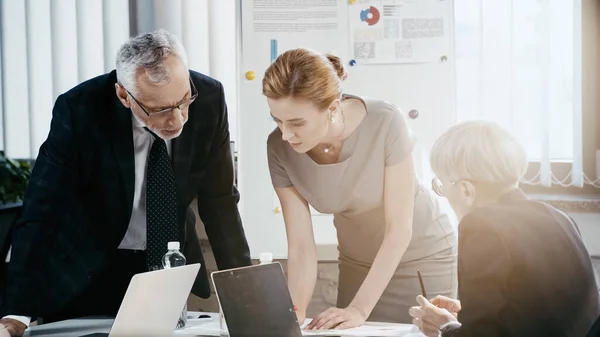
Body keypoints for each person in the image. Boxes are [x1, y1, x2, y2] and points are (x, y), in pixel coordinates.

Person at [0, 29, 252, 336]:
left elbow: (220, 202)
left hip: (162, 268)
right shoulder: (80, 109)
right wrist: (16, 311)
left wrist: (245, 296)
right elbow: (43, 209)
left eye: (184, 101)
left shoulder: (210, 98)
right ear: (124, 95)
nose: (177, 121)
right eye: (159, 110)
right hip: (86, 269)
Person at [263, 48, 458, 329]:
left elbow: (399, 229)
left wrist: (359, 308)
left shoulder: (386, 121)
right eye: (277, 120)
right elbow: (302, 248)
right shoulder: (279, 147)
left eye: (297, 123)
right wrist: (293, 318)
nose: (285, 134)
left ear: (331, 108)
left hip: (422, 256)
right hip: (357, 262)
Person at [409, 121, 600, 337]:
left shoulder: (481, 227)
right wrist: (468, 311)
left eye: (441, 185)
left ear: (466, 190)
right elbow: (547, 308)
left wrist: (446, 327)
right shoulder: (557, 216)